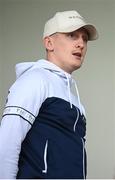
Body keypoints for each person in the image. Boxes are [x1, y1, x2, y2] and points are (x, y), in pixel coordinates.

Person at [0, 10, 98, 179]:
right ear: (49, 43)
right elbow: (7, 145)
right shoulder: (34, 80)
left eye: (84, 38)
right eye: (72, 35)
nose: (81, 43)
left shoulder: (76, 102)